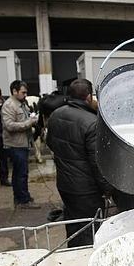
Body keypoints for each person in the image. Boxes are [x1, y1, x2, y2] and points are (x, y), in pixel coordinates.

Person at [46, 79, 113, 247]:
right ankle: (86, 262)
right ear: (89, 97)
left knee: (73, 224)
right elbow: (98, 163)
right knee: (90, 229)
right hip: (86, 190)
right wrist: (107, 189)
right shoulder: (91, 123)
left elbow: (49, 143)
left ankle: (72, 253)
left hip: (65, 184)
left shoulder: (56, 114)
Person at [2, 80, 40, 209]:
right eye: (23, 92)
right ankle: (24, 201)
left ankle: (20, 197)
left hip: (23, 142)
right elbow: (9, 125)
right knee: (21, 173)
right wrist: (29, 123)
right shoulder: (9, 105)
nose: (25, 95)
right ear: (14, 91)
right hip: (16, 145)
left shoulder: (21, 104)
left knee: (19, 173)